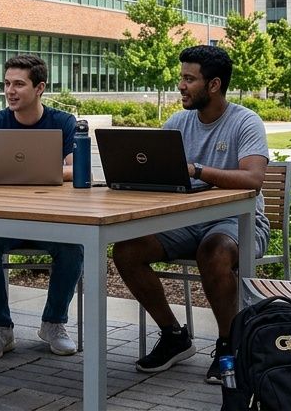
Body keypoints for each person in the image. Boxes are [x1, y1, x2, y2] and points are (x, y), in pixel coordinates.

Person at [113, 45, 270, 384]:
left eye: (189, 79)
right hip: (186, 222)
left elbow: (254, 180)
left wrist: (197, 169)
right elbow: (155, 168)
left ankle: (229, 345)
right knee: (126, 250)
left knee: (213, 252)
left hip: (241, 223)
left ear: (213, 85)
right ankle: (173, 335)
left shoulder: (246, 122)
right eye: (181, 77)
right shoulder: (178, 122)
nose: (181, 86)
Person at [0, 54, 82, 360]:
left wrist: (18, 171)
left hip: (49, 219)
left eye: (19, 84)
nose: (10, 91)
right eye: (6, 84)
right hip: (4, 220)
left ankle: (53, 324)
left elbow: (78, 169)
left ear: (40, 87)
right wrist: (43, 170)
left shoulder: (62, 122)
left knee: (73, 247)